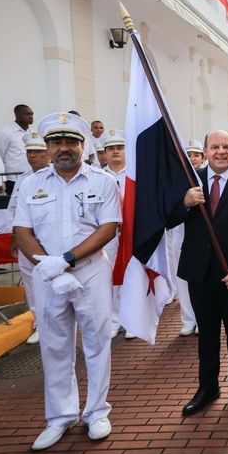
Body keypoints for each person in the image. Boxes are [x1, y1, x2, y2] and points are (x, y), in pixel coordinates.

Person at [13, 112, 120, 450]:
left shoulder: (102, 181)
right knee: (54, 346)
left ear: (82, 146)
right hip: (47, 276)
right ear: (46, 147)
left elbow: (108, 227)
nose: (64, 148)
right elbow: (22, 230)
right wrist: (48, 265)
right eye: (57, 142)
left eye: (71, 142)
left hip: (89, 271)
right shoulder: (32, 184)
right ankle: (59, 416)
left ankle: (97, 412)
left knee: (97, 342)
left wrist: (67, 260)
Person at [167, 130, 228, 415]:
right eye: (214, 147)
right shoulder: (189, 181)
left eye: (226, 146)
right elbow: (169, 219)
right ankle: (207, 388)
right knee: (207, 335)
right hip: (200, 272)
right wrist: (184, 203)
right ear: (206, 151)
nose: (220, 151)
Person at [6, 131, 51, 345]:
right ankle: (40, 324)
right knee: (31, 284)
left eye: (38, 152)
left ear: (48, 154)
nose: (33, 156)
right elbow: (13, 211)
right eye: (29, 152)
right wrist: (14, 237)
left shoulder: (56, 177)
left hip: (50, 239)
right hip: (26, 240)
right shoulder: (23, 180)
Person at [168, 139, 204, 336]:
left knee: (200, 279)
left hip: (200, 237)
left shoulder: (206, 177)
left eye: (196, 155)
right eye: (189, 155)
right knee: (181, 279)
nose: (192, 158)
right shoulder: (176, 178)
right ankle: (188, 319)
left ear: (203, 157)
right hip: (179, 234)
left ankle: (201, 318)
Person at [97, 129, 130, 339]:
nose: (115, 152)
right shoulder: (97, 176)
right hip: (107, 233)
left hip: (131, 232)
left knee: (132, 275)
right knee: (110, 276)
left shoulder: (135, 174)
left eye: (119, 147)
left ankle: (131, 319)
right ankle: (114, 319)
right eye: (111, 148)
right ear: (105, 153)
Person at [0, 104, 34, 194]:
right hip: (13, 179)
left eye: (31, 114)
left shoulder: (33, 133)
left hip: (31, 178)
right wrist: (0, 179)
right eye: (27, 114)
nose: (31, 117)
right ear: (17, 115)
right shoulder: (5, 133)